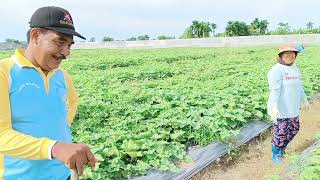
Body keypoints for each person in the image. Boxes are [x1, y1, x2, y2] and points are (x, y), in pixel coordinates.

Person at [0, 6, 96, 179]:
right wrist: (55, 147)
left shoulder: (62, 76)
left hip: (62, 174)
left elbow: (72, 104)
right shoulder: (5, 73)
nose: (66, 52)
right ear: (36, 36)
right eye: (60, 42)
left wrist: (58, 132)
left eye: (69, 45)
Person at [267, 43, 309, 164]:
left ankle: (282, 148)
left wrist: (304, 99)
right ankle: (275, 153)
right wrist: (274, 107)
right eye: (286, 55)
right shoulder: (276, 70)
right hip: (280, 108)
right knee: (281, 132)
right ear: (280, 56)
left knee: (295, 129)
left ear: (295, 56)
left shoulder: (295, 69)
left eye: (292, 54)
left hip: (293, 107)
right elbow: (274, 90)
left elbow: (299, 87)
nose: (289, 57)